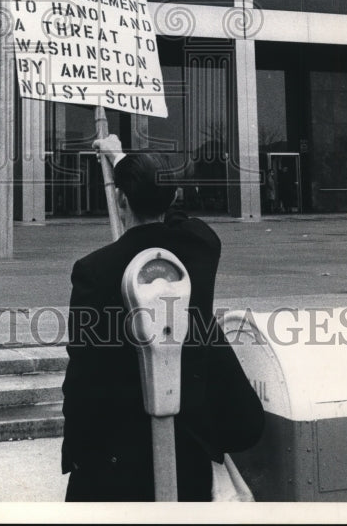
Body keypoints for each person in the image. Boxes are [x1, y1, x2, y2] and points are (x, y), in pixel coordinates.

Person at [61, 135, 264, 502]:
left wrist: (77, 450)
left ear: (121, 199)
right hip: (190, 442)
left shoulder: (93, 270)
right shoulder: (201, 247)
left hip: (119, 451)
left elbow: (83, 375)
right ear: (172, 198)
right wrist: (122, 159)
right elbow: (179, 219)